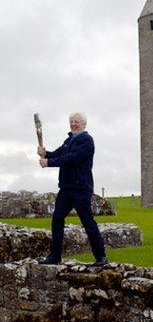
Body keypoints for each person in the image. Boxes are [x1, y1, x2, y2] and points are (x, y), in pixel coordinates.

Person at [37, 112, 107, 267]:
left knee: (87, 221)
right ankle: (55, 256)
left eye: (76, 121)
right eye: (71, 121)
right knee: (57, 219)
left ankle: (101, 257)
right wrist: (45, 153)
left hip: (81, 188)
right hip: (66, 188)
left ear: (83, 124)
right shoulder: (68, 140)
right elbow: (57, 154)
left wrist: (48, 162)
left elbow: (72, 158)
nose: (73, 124)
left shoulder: (86, 140)